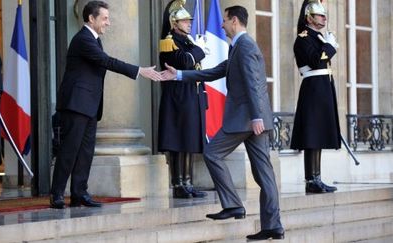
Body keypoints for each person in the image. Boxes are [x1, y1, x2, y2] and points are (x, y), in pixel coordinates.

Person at [160, 5, 284, 241]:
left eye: (225, 21)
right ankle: (273, 226)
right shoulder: (239, 46)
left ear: (235, 21)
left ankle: (233, 205)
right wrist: (178, 75)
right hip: (253, 119)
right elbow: (217, 71)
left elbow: (254, 82)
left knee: (212, 153)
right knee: (264, 175)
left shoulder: (244, 46)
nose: (222, 24)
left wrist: (256, 116)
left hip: (246, 120)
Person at [50, 0, 161, 209]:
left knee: (85, 152)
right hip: (76, 105)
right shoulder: (83, 39)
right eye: (105, 18)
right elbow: (107, 61)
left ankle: (79, 193)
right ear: (91, 19)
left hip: (89, 105)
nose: (108, 23)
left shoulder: (93, 39)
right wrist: (139, 70)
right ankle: (56, 194)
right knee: (69, 151)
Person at [158, 0, 207, 198]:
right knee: (178, 140)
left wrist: (195, 52)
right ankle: (178, 183)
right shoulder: (169, 41)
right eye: (184, 21)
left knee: (189, 138)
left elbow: (190, 61)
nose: (189, 23)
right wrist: (200, 51)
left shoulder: (187, 42)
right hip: (178, 95)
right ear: (174, 23)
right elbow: (185, 62)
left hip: (191, 93)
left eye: (189, 20)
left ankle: (188, 181)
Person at [291, 0, 340, 194]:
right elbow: (315, 61)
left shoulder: (318, 38)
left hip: (322, 89)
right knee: (312, 135)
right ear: (309, 18)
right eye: (320, 15)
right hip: (313, 89)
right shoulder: (303, 39)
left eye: (324, 15)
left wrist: (326, 46)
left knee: (318, 134)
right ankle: (311, 179)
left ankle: (317, 177)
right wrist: (330, 47)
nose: (324, 18)